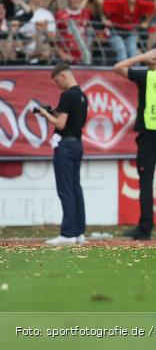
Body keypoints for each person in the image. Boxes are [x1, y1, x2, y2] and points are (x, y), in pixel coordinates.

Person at [113, 48, 156, 240]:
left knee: (146, 181)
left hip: (149, 134)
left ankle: (145, 228)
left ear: (152, 59)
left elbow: (118, 67)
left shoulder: (148, 77)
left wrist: (141, 57)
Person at [37, 63, 88, 246]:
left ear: (64, 76)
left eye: (58, 81)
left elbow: (60, 124)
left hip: (65, 146)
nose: (58, 85)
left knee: (65, 189)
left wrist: (45, 114)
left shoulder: (67, 95)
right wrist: (53, 112)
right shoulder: (82, 96)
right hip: (77, 144)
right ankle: (79, 232)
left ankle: (67, 234)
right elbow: (71, 120)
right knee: (75, 188)